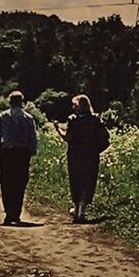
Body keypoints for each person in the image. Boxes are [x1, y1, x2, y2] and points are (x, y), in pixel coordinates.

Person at [53, 94, 110, 223]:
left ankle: (76, 209)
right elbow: (106, 135)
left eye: (75, 105)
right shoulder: (95, 119)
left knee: (76, 180)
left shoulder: (73, 120)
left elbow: (67, 138)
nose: (73, 108)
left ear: (81, 106)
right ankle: (82, 211)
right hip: (91, 155)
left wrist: (57, 129)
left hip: (75, 155)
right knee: (88, 181)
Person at [0, 90, 38, 226]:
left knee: (6, 183)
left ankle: (8, 212)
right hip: (22, 154)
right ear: (22, 102)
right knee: (20, 183)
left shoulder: (3, 117)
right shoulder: (28, 118)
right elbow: (33, 137)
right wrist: (31, 151)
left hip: (7, 153)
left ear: (10, 102)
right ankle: (16, 213)